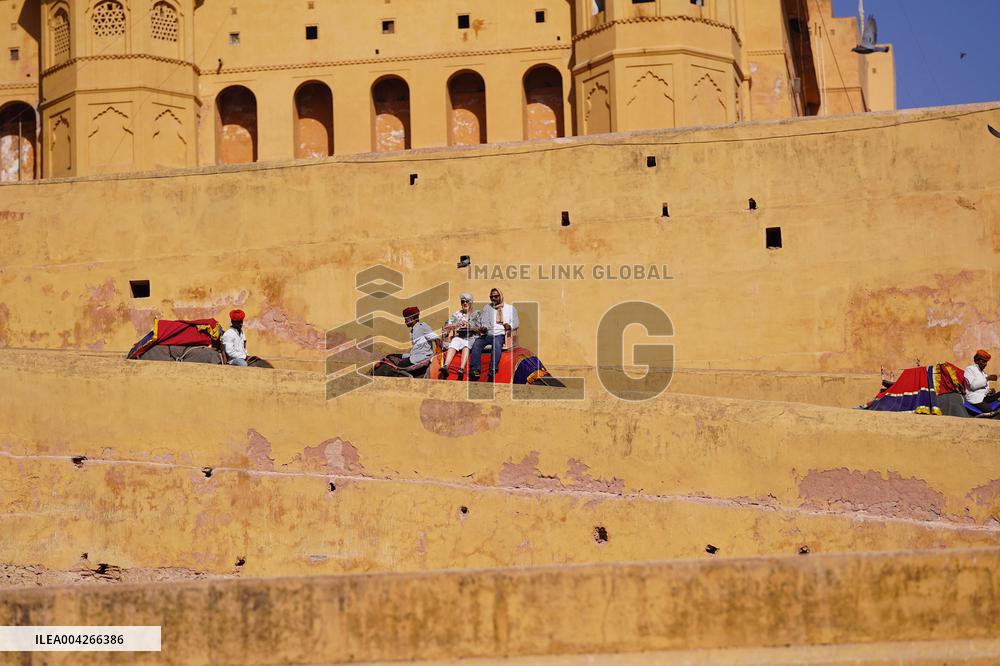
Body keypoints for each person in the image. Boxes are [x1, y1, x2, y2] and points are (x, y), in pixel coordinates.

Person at [469, 288, 518, 382]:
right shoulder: (487, 307)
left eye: (496, 296)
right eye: (491, 297)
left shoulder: (510, 308)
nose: (493, 298)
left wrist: (509, 326)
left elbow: (516, 322)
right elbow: (484, 321)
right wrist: (484, 327)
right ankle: (475, 369)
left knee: (496, 342)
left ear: (501, 296)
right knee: (477, 344)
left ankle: (492, 369)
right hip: (488, 333)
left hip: (501, 334)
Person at [439, 292, 480, 380]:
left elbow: (481, 327)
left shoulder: (477, 313)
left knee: (466, 344)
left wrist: (470, 326)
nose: (465, 303)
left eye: (467, 301)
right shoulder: (457, 314)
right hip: (459, 336)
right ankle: (446, 366)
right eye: (463, 301)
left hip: (471, 336)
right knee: (454, 342)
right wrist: (457, 324)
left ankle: (461, 368)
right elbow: (448, 326)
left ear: (471, 302)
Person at [397, 306, 441, 377]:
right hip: (414, 355)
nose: (405, 322)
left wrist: (438, 353)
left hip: (422, 357)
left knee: (400, 365)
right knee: (394, 357)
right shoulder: (413, 331)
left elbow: (437, 339)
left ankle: (410, 377)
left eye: (406, 319)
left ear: (411, 319)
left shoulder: (423, 327)